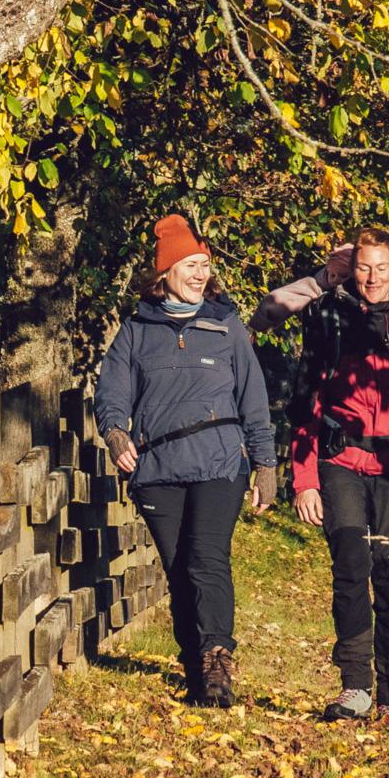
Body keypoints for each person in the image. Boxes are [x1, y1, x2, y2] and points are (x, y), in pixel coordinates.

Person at [251, 227, 389, 723]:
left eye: (381, 268)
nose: (371, 278)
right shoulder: (328, 318)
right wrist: (303, 480)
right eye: (363, 267)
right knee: (349, 571)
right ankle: (355, 688)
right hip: (340, 463)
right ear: (352, 267)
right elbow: (305, 405)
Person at [93, 213, 277, 707]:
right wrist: (115, 434)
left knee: (206, 558)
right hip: (157, 470)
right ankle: (195, 666)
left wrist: (265, 465)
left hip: (219, 462)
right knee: (178, 571)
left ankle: (219, 657)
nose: (199, 273)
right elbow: (111, 393)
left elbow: (253, 398)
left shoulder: (226, 325)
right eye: (189, 264)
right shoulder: (136, 331)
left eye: (204, 265)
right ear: (164, 273)